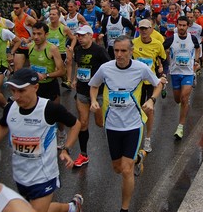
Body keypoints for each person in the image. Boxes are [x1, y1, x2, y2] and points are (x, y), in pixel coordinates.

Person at [89, 37, 165, 212]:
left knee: (126, 169)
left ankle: (124, 208)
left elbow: (158, 84)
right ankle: (139, 158)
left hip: (133, 125)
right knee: (117, 168)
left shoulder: (141, 68)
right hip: (112, 125)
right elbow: (94, 85)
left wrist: (152, 100)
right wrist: (94, 100)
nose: (119, 54)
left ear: (131, 52)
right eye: (116, 51)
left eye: (123, 51)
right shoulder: (106, 68)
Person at [0, 68, 83, 212]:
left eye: (21, 91)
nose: (16, 96)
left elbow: (76, 124)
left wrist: (66, 149)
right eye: (13, 91)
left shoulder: (50, 109)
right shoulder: (10, 108)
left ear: (35, 87)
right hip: (20, 174)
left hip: (44, 176)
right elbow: (2, 125)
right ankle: (71, 207)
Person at [71, 25, 110, 167]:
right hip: (81, 91)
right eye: (78, 36)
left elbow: (109, 67)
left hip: (98, 93)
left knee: (100, 123)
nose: (80, 38)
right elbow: (78, 65)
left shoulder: (99, 51)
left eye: (82, 36)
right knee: (83, 122)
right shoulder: (78, 50)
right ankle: (83, 154)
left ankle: (115, 141)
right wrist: (75, 78)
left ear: (90, 35)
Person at [164, 16, 201, 140]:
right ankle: (184, 103)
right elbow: (161, 50)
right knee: (177, 100)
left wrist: (196, 60)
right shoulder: (171, 39)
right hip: (175, 73)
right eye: (180, 25)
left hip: (188, 73)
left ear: (187, 26)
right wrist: (165, 60)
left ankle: (180, 127)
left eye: (184, 25)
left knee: (184, 98)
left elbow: (197, 48)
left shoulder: (193, 38)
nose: (181, 27)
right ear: (177, 25)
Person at [132, 19, 166, 152]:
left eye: (146, 28)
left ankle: (147, 138)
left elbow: (164, 60)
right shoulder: (133, 44)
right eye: (141, 28)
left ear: (151, 29)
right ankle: (135, 135)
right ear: (138, 29)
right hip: (137, 83)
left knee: (149, 109)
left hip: (151, 82)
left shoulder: (158, 44)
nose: (144, 31)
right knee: (136, 109)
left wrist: (163, 73)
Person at [11, 1, 37, 71]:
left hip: (31, 47)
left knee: (34, 70)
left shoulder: (28, 19)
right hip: (21, 47)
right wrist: (14, 40)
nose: (15, 10)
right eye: (14, 8)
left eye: (17, 8)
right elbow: (16, 32)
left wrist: (29, 39)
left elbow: (40, 31)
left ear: (22, 8)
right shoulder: (15, 19)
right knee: (17, 69)